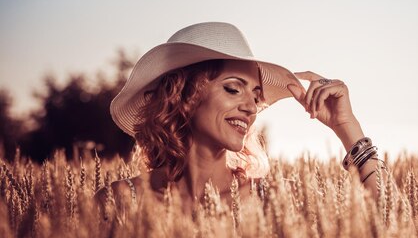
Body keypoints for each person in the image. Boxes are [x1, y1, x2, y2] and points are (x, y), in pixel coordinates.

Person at [97, 22, 387, 214]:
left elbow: (390, 222)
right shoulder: (119, 203)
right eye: (234, 88)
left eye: (256, 95)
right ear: (183, 95)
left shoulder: (272, 201)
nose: (251, 107)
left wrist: (347, 128)